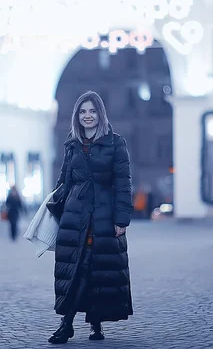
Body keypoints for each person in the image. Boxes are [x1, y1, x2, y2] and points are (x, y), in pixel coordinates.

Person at [48, 91, 134, 344]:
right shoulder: (72, 143)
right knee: (76, 267)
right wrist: (55, 209)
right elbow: (64, 181)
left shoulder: (115, 143)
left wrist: (122, 219)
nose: (88, 116)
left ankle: (91, 324)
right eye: (83, 111)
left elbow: (123, 183)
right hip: (75, 218)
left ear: (100, 114)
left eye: (92, 111)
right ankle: (68, 323)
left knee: (95, 270)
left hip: (103, 216)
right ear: (77, 115)